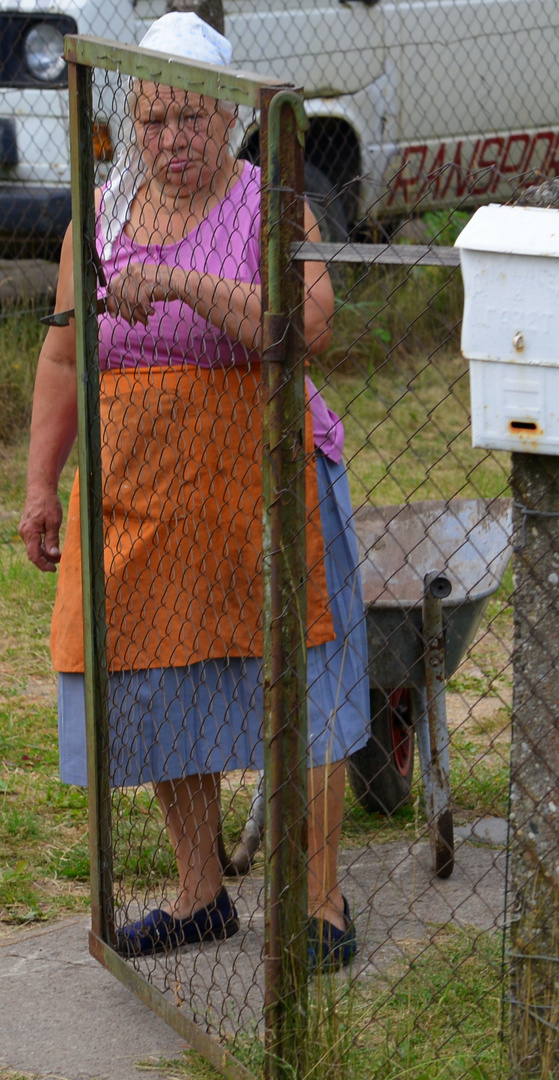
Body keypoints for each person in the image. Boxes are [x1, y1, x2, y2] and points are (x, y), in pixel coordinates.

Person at [17, 12, 369, 970]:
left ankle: (321, 901)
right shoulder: (99, 216)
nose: (173, 142)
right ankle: (200, 892)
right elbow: (60, 354)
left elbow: (312, 325)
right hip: (141, 486)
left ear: (229, 116)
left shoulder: (271, 203)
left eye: (191, 122)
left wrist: (179, 283)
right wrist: (41, 483)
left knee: (306, 684)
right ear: (134, 121)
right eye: (154, 122)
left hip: (261, 481)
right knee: (162, 685)